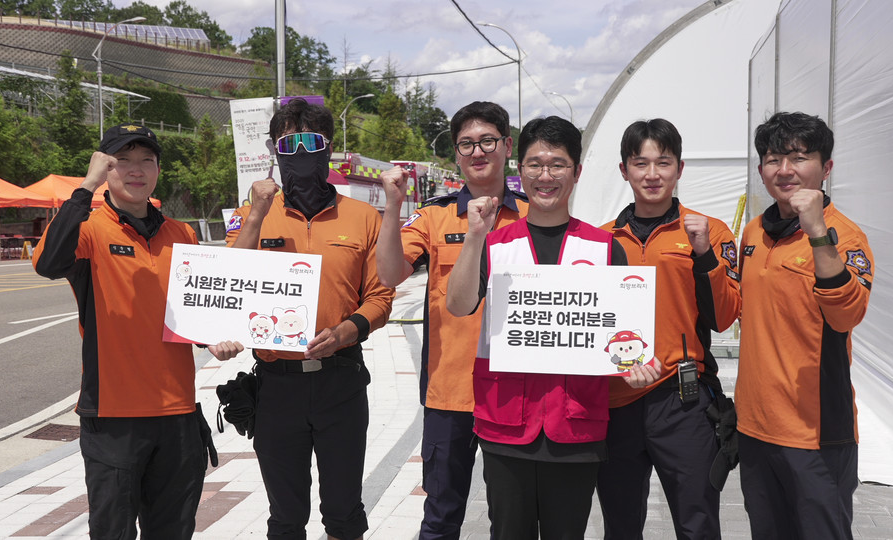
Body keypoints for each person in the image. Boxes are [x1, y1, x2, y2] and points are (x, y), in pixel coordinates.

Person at [446, 116, 659, 539]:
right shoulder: (494, 243)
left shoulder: (604, 248)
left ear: (576, 172)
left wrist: (635, 368)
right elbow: (458, 304)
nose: (546, 176)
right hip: (505, 422)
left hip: (575, 425)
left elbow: (623, 337)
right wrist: (473, 237)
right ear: (519, 171)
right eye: (535, 164)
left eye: (558, 165)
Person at [32, 123, 243, 539]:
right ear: (104, 168)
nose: (136, 170)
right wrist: (83, 189)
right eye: (122, 160)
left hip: (178, 415)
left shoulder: (181, 234)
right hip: (114, 418)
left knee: (174, 531)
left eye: (146, 160)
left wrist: (214, 338)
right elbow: (48, 263)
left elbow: (194, 310)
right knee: (113, 532)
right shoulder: (89, 230)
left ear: (158, 170)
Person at [224, 98, 394, 540]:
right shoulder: (252, 217)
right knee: (285, 515)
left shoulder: (362, 217)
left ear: (329, 149)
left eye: (311, 141)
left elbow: (380, 298)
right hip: (276, 385)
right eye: (288, 142)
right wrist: (257, 214)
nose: (300, 152)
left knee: (343, 511)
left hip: (341, 381)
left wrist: (346, 331)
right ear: (273, 150)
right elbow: (227, 283)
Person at [377, 101, 529, 539]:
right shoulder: (434, 217)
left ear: (506, 146)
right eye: (466, 144)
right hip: (449, 394)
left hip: (514, 392)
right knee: (441, 516)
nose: (477, 151)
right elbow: (390, 274)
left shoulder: (531, 216)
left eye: (487, 141)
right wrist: (393, 207)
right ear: (456, 154)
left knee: (513, 519)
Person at [595, 119, 741, 539]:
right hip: (617, 399)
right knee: (620, 526)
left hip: (683, 400)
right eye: (640, 163)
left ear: (680, 168)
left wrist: (704, 257)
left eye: (664, 162)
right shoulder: (601, 239)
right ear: (624, 170)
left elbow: (725, 316)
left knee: (696, 524)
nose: (652, 174)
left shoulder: (709, 231)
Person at [736, 112, 874, 539]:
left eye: (799, 157)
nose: (785, 170)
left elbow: (847, 314)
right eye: (774, 158)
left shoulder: (845, 237)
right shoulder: (755, 231)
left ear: (826, 168)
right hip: (754, 427)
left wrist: (817, 233)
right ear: (761, 170)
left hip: (815, 434)